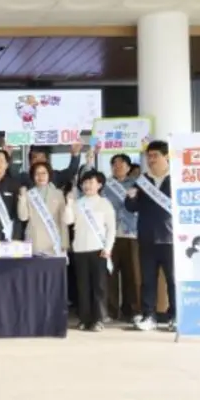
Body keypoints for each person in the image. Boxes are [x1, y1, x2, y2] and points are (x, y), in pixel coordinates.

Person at [125, 140, 175, 332]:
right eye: (149, 156)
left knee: (173, 280)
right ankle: (149, 316)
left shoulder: (177, 178)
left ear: (166, 156)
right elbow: (131, 208)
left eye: (155, 156)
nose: (151, 160)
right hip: (147, 238)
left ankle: (176, 316)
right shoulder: (142, 181)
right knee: (147, 281)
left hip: (171, 238)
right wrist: (131, 197)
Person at [63, 170, 116, 332]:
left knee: (99, 286)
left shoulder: (105, 203)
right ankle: (84, 319)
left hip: (98, 249)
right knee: (82, 286)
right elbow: (68, 221)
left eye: (91, 182)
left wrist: (108, 248)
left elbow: (111, 228)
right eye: (85, 182)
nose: (87, 186)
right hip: (80, 249)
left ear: (99, 185)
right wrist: (69, 204)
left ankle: (98, 319)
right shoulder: (78, 203)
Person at [103, 154, 141, 321]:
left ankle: (132, 310)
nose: (117, 167)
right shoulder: (105, 185)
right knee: (110, 274)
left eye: (121, 164)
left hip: (131, 233)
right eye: (115, 164)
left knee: (132, 274)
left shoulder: (137, 184)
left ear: (128, 167)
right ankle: (111, 311)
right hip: (109, 235)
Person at [17, 162, 69, 255]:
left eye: (44, 173)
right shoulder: (28, 194)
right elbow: (23, 217)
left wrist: (64, 242)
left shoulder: (58, 194)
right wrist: (22, 198)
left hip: (54, 241)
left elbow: (63, 220)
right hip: (35, 241)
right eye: (37, 173)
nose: (40, 176)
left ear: (49, 175)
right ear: (33, 176)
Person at [10, 142, 83, 188]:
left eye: (42, 157)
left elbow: (71, 172)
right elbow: (10, 176)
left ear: (47, 161)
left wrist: (75, 154)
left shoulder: (54, 176)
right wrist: (7, 154)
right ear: (30, 161)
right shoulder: (23, 178)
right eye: (35, 157)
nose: (39, 161)